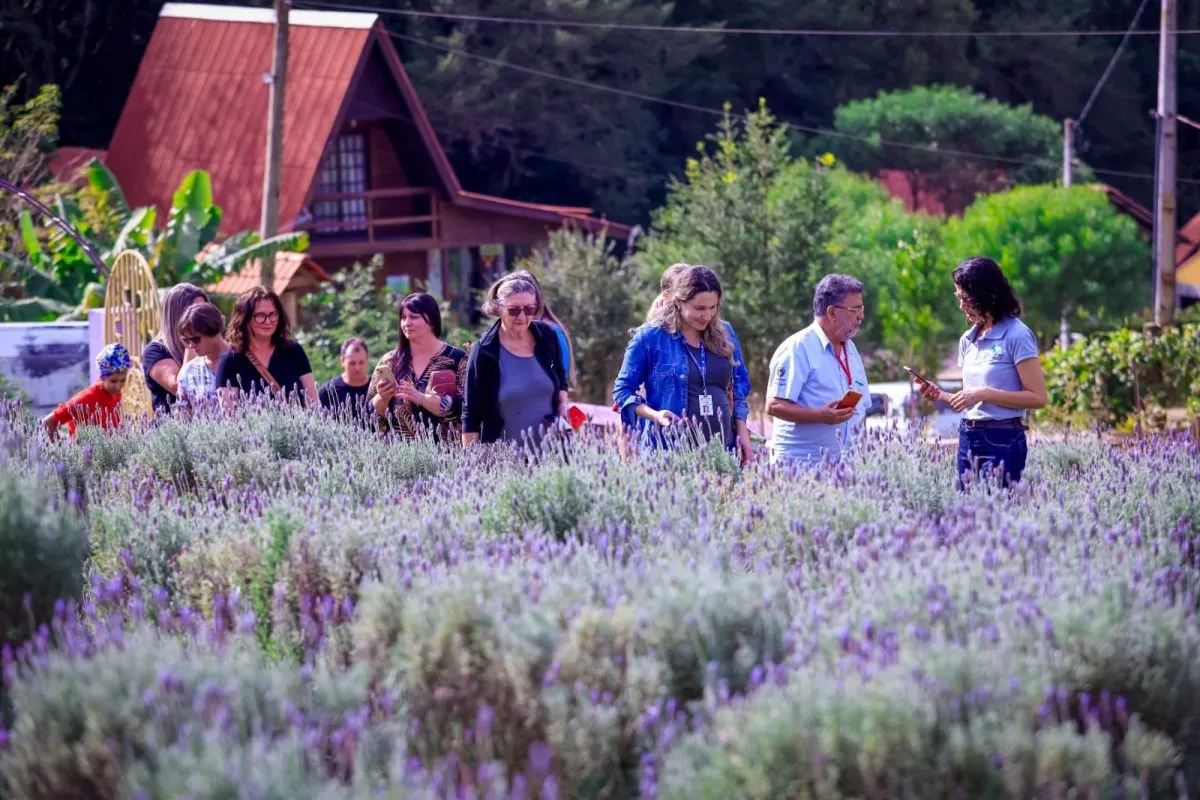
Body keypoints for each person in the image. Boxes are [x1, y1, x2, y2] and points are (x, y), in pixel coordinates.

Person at [915, 256, 1046, 487]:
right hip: (968, 437)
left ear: (987, 295)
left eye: (966, 299)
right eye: (958, 298)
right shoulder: (968, 339)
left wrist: (984, 393)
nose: (961, 306)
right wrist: (941, 395)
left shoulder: (1017, 335)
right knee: (968, 514)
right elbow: (971, 398)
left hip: (1003, 439)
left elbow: (1037, 397)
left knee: (993, 514)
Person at [612, 264, 753, 464]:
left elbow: (740, 384)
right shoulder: (650, 337)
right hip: (669, 453)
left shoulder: (725, 332)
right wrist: (655, 415)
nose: (707, 316)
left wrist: (742, 434)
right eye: (700, 308)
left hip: (723, 452)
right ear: (678, 301)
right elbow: (622, 391)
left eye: (713, 307)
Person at [765, 274, 871, 466]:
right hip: (801, 469)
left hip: (846, 471)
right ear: (832, 312)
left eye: (861, 308)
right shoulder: (798, 348)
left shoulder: (851, 349)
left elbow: (861, 411)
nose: (861, 316)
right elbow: (774, 406)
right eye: (854, 309)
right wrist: (820, 416)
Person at [462, 271, 570, 446]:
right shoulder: (483, 351)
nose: (521, 317)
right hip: (505, 460)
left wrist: (563, 401)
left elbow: (560, 377)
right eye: (513, 310)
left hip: (553, 455)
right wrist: (472, 463)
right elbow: (471, 412)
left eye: (529, 309)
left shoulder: (547, 336)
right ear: (498, 308)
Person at [368, 294, 468, 441]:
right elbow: (366, 416)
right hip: (400, 456)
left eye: (414, 317)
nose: (407, 323)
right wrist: (382, 398)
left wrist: (422, 399)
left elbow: (470, 409)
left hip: (449, 457)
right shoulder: (389, 361)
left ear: (432, 320)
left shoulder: (458, 359)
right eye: (403, 317)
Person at [215, 286, 318, 405]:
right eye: (260, 315)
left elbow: (314, 403)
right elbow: (229, 417)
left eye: (273, 314)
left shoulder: (293, 350)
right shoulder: (231, 360)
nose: (268, 321)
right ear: (244, 319)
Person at [143, 283, 209, 414]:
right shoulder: (156, 351)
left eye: (205, 311)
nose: (202, 318)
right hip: (173, 430)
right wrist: (191, 339)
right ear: (178, 315)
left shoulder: (208, 344)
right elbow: (179, 387)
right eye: (196, 311)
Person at [44, 343, 131, 441]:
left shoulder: (115, 394)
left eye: (123, 380)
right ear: (102, 377)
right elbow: (48, 422)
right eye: (113, 381)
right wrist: (60, 451)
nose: (118, 386)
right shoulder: (86, 398)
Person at [175, 302, 228, 407]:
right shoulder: (188, 371)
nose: (191, 345)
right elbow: (182, 418)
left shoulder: (242, 361)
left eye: (195, 339)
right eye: (186, 340)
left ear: (214, 330)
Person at [320, 338, 372, 427]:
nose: (357, 368)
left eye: (361, 362)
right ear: (342, 361)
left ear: (367, 361)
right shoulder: (328, 391)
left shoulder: (378, 389)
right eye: (352, 363)